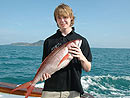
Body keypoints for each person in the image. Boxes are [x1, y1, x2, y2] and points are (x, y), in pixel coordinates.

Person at [41, 3, 92, 98]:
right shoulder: (48, 41)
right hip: (50, 90)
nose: (62, 20)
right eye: (59, 18)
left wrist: (81, 57)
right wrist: (44, 75)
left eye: (65, 17)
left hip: (73, 91)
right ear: (56, 20)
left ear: (71, 18)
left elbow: (88, 68)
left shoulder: (81, 40)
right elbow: (44, 65)